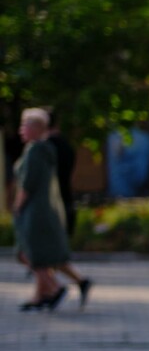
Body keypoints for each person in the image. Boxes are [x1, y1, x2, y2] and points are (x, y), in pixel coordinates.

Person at [13, 108, 75, 311]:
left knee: (31, 254)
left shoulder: (35, 151)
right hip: (44, 209)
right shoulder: (45, 148)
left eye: (25, 125)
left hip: (34, 210)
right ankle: (40, 295)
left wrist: (17, 206)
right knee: (35, 253)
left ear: (37, 128)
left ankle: (54, 287)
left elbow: (27, 184)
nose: (21, 129)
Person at [40, 112, 92, 306]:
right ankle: (45, 292)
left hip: (52, 206)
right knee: (50, 254)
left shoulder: (45, 148)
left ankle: (59, 287)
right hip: (67, 203)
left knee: (45, 253)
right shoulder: (66, 146)